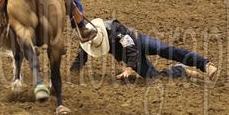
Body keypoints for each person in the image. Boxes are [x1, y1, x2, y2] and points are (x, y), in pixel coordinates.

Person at [71, 19, 218, 81]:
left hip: (138, 41)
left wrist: (128, 68)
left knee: (165, 49)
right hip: (126, 52)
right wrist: (72, 75)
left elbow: (130, 47)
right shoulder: (87, 39)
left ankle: (205, 64)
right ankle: (181, 70)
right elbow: (80, 58)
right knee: (153, 77)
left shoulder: (115, 28)